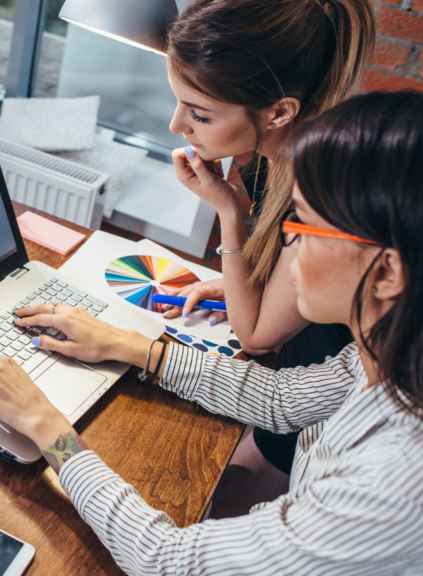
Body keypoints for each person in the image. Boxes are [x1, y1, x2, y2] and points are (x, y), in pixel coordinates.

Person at [0, 92, 423, 573]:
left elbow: (166, 560)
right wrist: (129, 346)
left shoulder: (401, 492)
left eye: (305, 225)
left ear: (389, 272)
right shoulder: (406, 350)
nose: (287, 244)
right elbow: (281, 399)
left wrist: (47, 427)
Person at [152, 0, 376, 513]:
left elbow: (255, 334)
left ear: (280, 111)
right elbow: (273, 282)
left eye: (199, 113)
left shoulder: (321, 192)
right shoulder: (274, 152)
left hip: (312, 412)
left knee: (203, 496)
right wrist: (244, 283)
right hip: (299, 390)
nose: (176, 125)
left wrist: (230, 214)